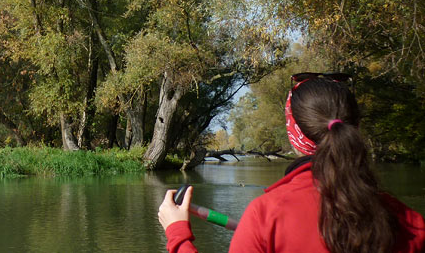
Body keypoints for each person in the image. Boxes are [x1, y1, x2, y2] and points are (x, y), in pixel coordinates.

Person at [158, 72, 425, 253]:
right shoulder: (410, 222)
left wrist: (178, 233)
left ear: (293, 132)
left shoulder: (266, 216)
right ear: (356, 127)